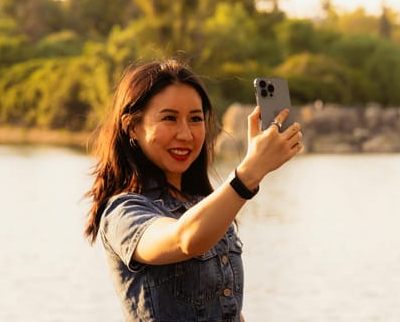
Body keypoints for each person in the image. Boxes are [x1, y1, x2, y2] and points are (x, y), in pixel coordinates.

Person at [84, 60, 303, 321]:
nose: (186, 134)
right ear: (133, 126)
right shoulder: (123, 211)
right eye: (169, 118)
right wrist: (249, 173)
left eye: (195, 119)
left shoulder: (203, 204)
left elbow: (227, 309)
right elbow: (184, 239)